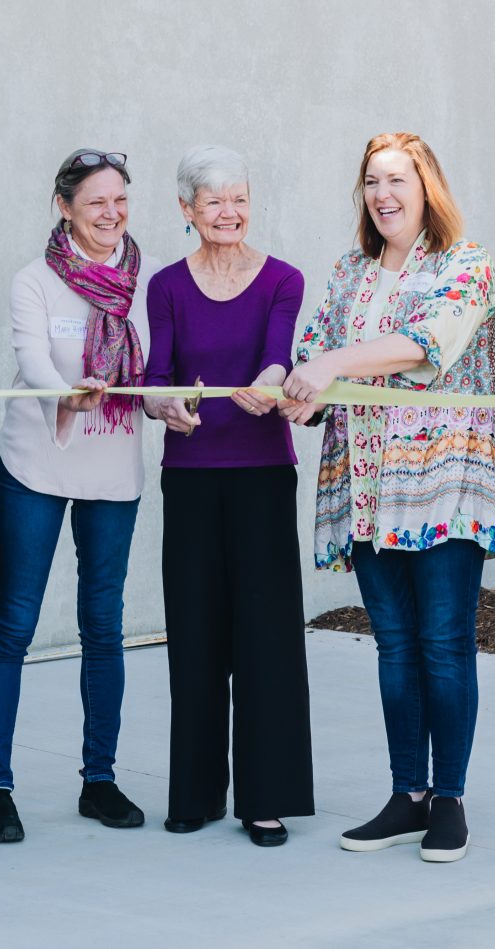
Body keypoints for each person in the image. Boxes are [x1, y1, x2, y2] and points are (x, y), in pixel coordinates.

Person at [281, 131, 495, 864]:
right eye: (372, 181)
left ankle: (450, 800)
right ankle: (407, 793)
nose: (383, 194)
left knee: (443, 646)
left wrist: (332, 363)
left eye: (398, 179)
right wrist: (278, 382)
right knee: (396, 646)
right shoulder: (349, 271)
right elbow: (308, 354)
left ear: (427, 186)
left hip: (443, 486)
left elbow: (425, 344)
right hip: (367, 489)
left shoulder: (465, 266)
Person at [0, 148, 150, 842]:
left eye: (120, 200)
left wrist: (169, 407)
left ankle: (98, 779)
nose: (111, 214)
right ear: (64, 207)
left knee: (102, 624)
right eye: (96, 202)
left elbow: (157, 370)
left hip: (113, 465)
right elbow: (32, 359)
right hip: (37, 460)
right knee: (14, 623)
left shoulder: (146, 281)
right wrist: (68, 392)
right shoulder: (35, 280)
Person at [142, 146, 313, 847]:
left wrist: (271, 380)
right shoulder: (165, 285)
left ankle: (265, 797)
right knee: (196, 630)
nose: (228, 212)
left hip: (262, 472)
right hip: (189, 475)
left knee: (266, 635)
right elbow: (155, 375)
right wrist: (163, 406)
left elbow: (278, 350)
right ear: (186, 210)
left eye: (238, 198)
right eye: (212, 201)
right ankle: (197, 789)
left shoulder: (282, 278)